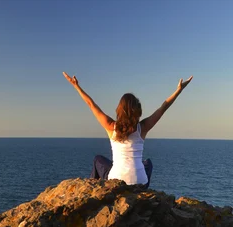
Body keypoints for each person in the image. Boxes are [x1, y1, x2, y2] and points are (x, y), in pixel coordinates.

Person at [63, 72, 193, 188]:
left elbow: (91, 104)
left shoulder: (110, 126)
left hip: (116, 183)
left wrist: (76, 86)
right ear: (138, 110)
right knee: (148, 163)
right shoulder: (142, 127)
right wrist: (178, 91)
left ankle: (95, 189)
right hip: (141, 184)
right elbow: (163, 108)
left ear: (119, 109)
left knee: (98, 159)